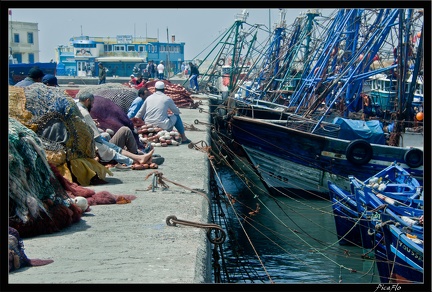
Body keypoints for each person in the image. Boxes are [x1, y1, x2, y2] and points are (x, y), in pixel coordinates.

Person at [77, 92, 154, 167]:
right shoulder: (85, 112)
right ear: (87, 101)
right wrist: (107, 144)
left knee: (108, 137)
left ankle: (138, 156)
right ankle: (137, 156)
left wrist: (93, 124)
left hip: (92, 145)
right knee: (125, 131)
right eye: (92, 103)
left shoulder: (77, 109)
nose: (93, 106)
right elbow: (97, 138)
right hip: (97, 147)